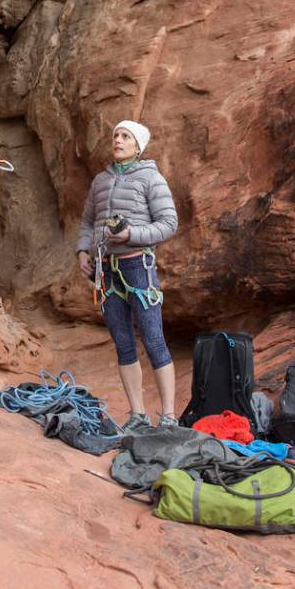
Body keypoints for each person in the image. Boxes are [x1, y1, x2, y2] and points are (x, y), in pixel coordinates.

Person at [76, 121, 179, 429]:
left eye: (125, 137)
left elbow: (169, 223)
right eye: (116, 136)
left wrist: (131, 234)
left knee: (153, 338)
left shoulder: (151, 177)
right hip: (105, 270)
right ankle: (137, 414)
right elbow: (86, 221)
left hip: (138, 266)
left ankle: (169, 416)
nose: (118, 141)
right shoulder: (100, 180)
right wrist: (82, 252)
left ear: (138, 146)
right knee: (122, 342)